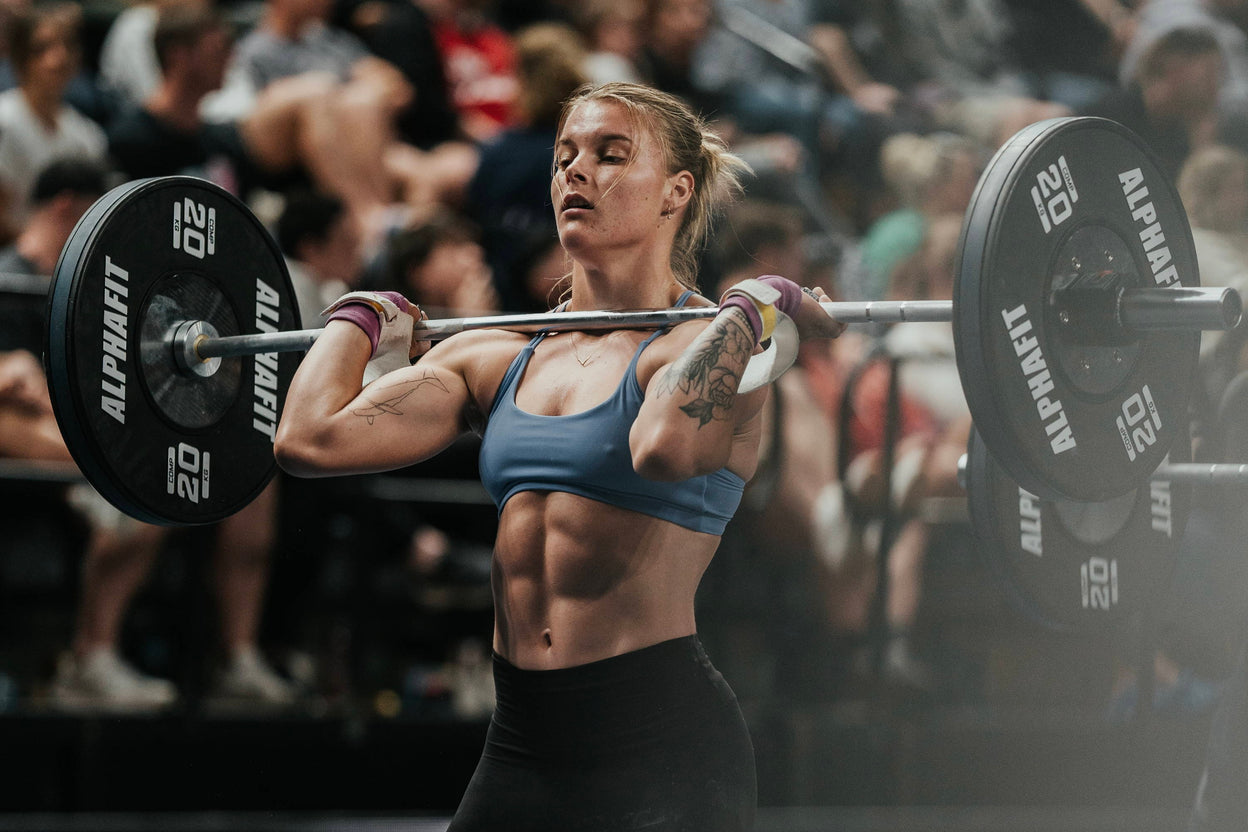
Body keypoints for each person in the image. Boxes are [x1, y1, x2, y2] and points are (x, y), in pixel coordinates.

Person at [274, 81, 845, 830]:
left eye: (611, 156)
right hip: (522, 744)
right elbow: (306, 439)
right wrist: (365, 312)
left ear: (676, 191)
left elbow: (665, 445)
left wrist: (751, 306)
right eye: (564, 156)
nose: (576, 172)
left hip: (662, 749)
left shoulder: (702, 347)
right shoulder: (494, 356)